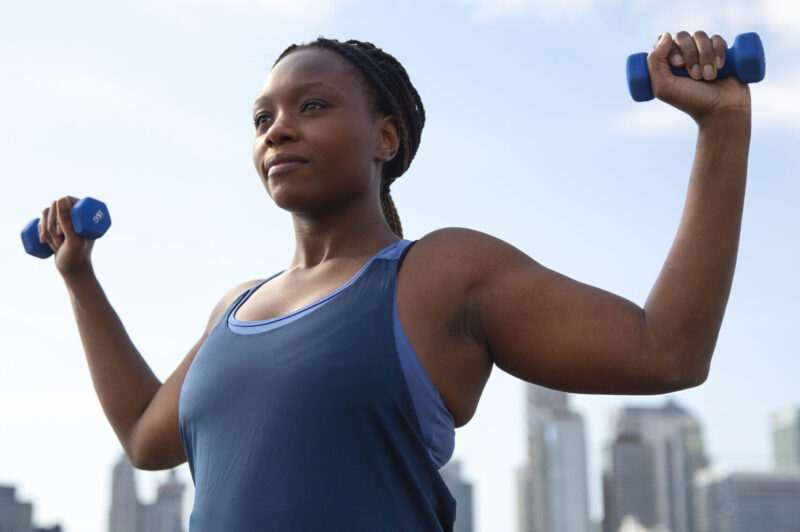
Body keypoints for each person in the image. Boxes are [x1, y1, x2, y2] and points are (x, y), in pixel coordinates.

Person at [37, 31, 751, 531]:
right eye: (263, 118)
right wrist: (79, 278)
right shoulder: (236, 308)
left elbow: (668, 352)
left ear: (385, 138)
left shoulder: (438, 274)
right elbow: (141, 436)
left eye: (311, 105)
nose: (277, 130)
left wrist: (721, 131)